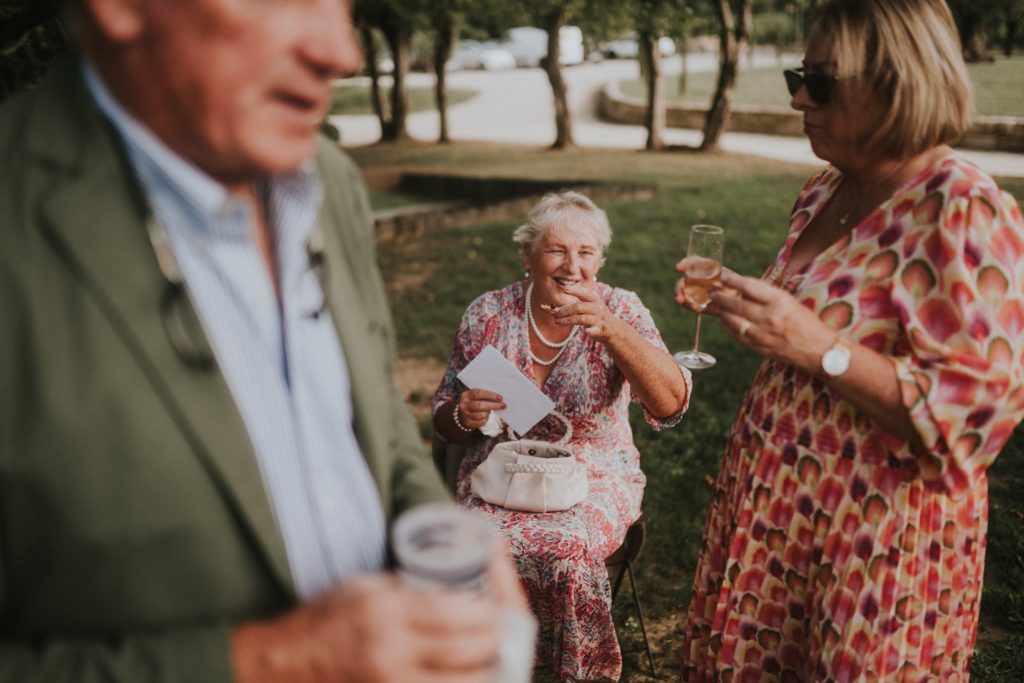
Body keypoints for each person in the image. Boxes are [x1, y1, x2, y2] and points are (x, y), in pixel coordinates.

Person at [0, 0, 526, 681]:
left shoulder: (329, 180)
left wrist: (446, 534)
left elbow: (374, 418)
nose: (341, 52)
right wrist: (281, 661)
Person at [674, 0, 1024, 680]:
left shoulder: (962, 206)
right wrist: (760, 316)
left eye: (824, 81)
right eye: (798, 76)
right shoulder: (826, 189)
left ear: (897, 81)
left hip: (875, 542)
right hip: (777, 514)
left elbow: (973, 418)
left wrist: (817, 346)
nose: (801, 96)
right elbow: (817, 323)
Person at [432, 190, 691, 682]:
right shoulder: (488, 314)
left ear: (600, 261)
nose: (572, 265)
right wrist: (462, 415)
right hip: (500, 472)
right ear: (528, 258)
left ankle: (578, 673)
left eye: (586, 252)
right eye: (556, 250)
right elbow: (444, 417)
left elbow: (671, 405)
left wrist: (612, 331)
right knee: (473, 548)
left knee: (567, 552)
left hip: (594, 471)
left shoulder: (621, 309)